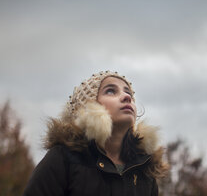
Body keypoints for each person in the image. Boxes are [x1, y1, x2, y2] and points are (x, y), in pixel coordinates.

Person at [23, 71, 168, 196]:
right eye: (111, 91)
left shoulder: (144, 168)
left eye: (128, 92)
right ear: (88, 107)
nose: (126, 97)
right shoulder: (63, 158)